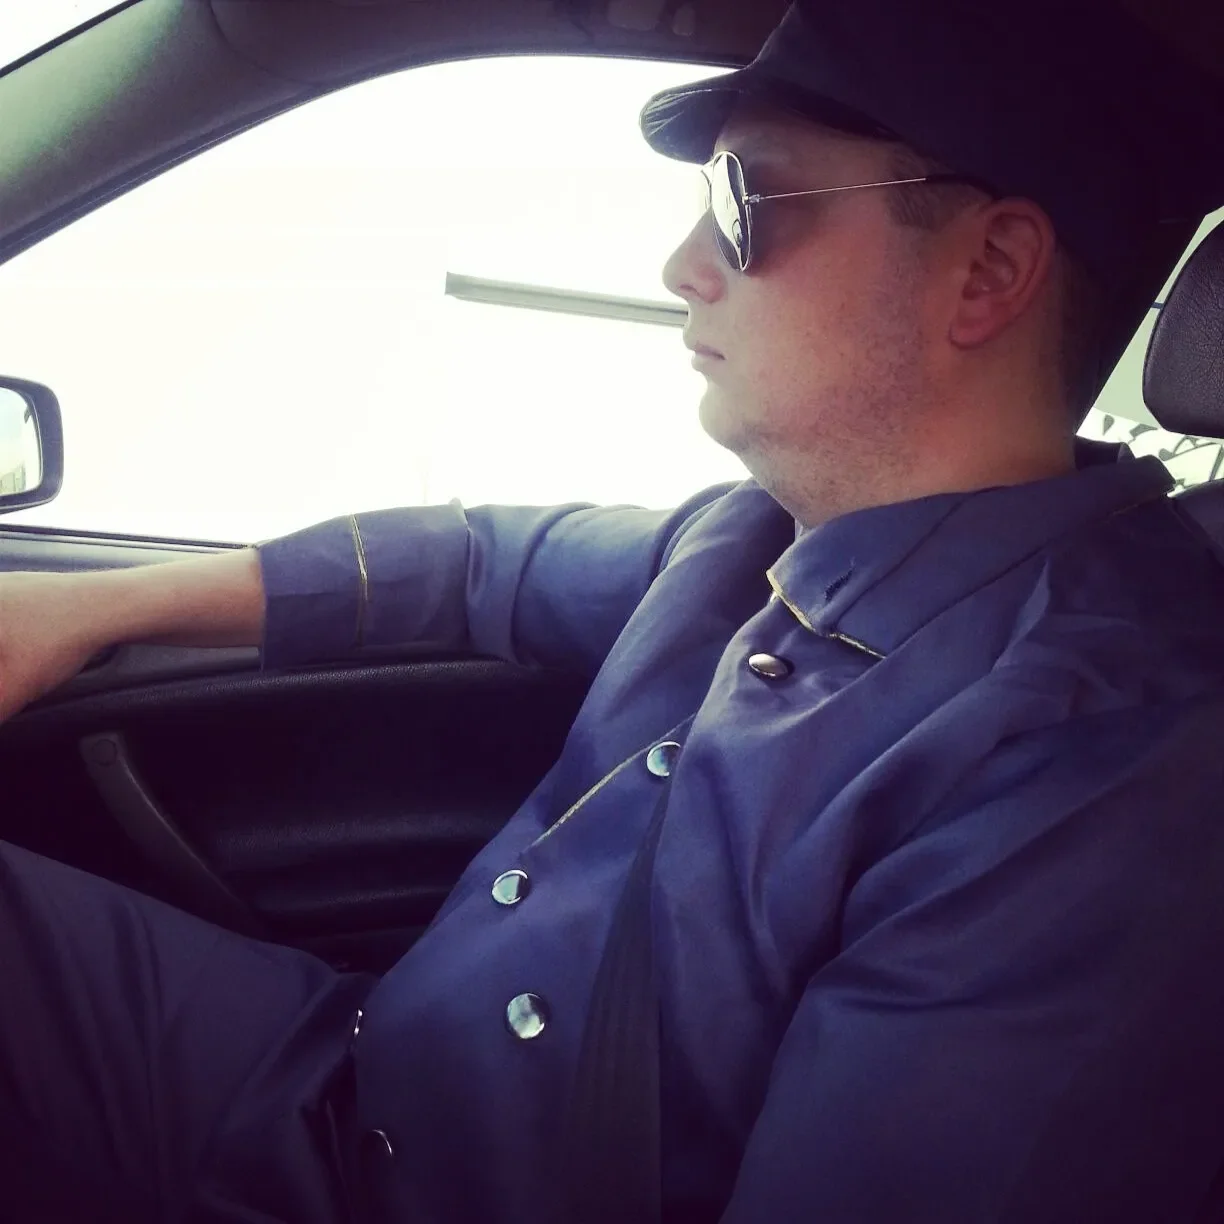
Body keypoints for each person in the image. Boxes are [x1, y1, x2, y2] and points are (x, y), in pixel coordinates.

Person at [4, 0, 1224, 1220]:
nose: (684, 263)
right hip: (338, 1082)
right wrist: (87, 610)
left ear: (988, 273)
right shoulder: (741, 540)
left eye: (749, 200)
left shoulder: (1098, 759)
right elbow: (479, 564)